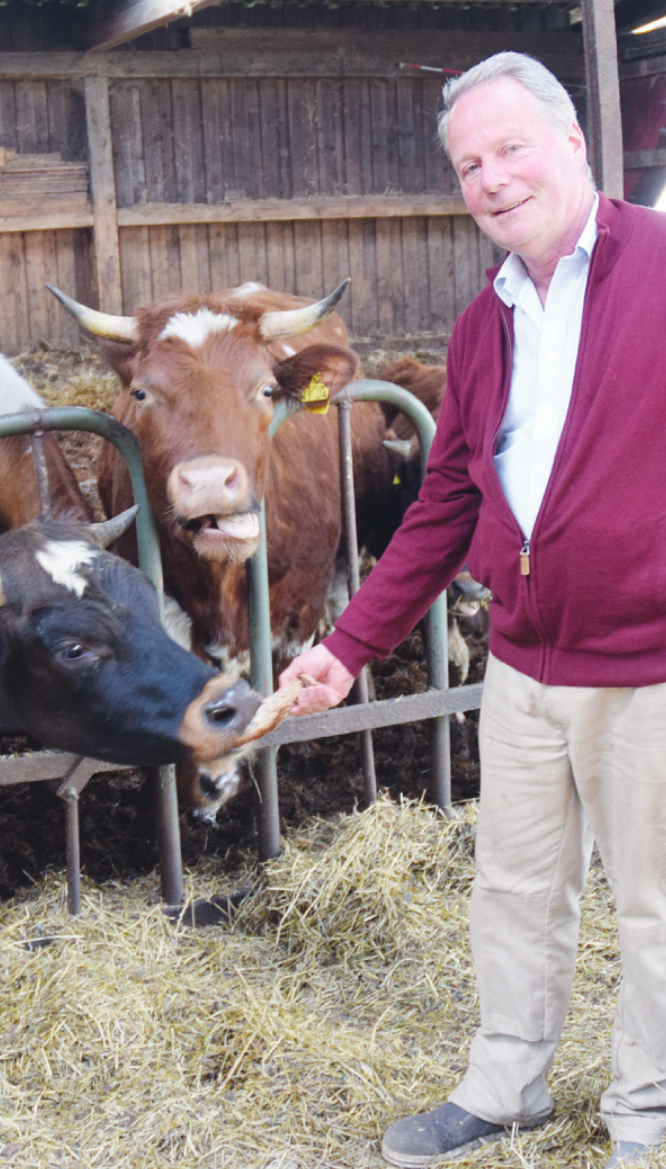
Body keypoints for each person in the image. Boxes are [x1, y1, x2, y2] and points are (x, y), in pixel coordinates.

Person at [278, 50, 666, 1169]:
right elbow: (449, 497)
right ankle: (506, 1085)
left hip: (646, 661)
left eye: (510, 149)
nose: (491, 179)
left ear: (574, 144)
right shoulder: (482, 321)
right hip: (525, 658)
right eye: (468, 165)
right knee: (513, 886)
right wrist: (347, 647)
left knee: (653, 905)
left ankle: (648, 1116)